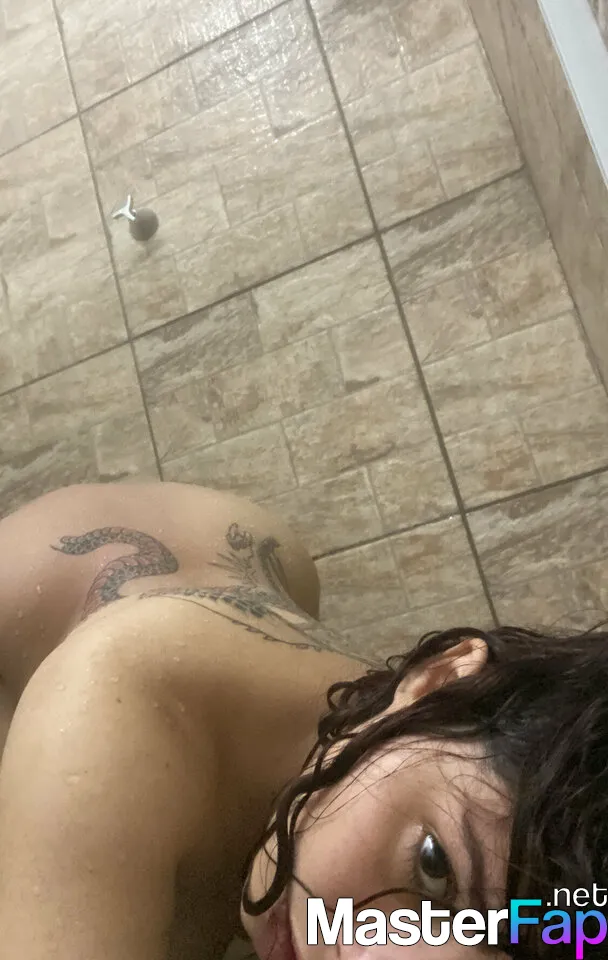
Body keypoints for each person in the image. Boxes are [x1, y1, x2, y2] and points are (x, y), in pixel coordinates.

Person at [0, 482, 605, 959]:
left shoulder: (413, 735)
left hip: (251, 557)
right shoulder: (110, 722)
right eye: (432, 865)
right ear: (438, 677)